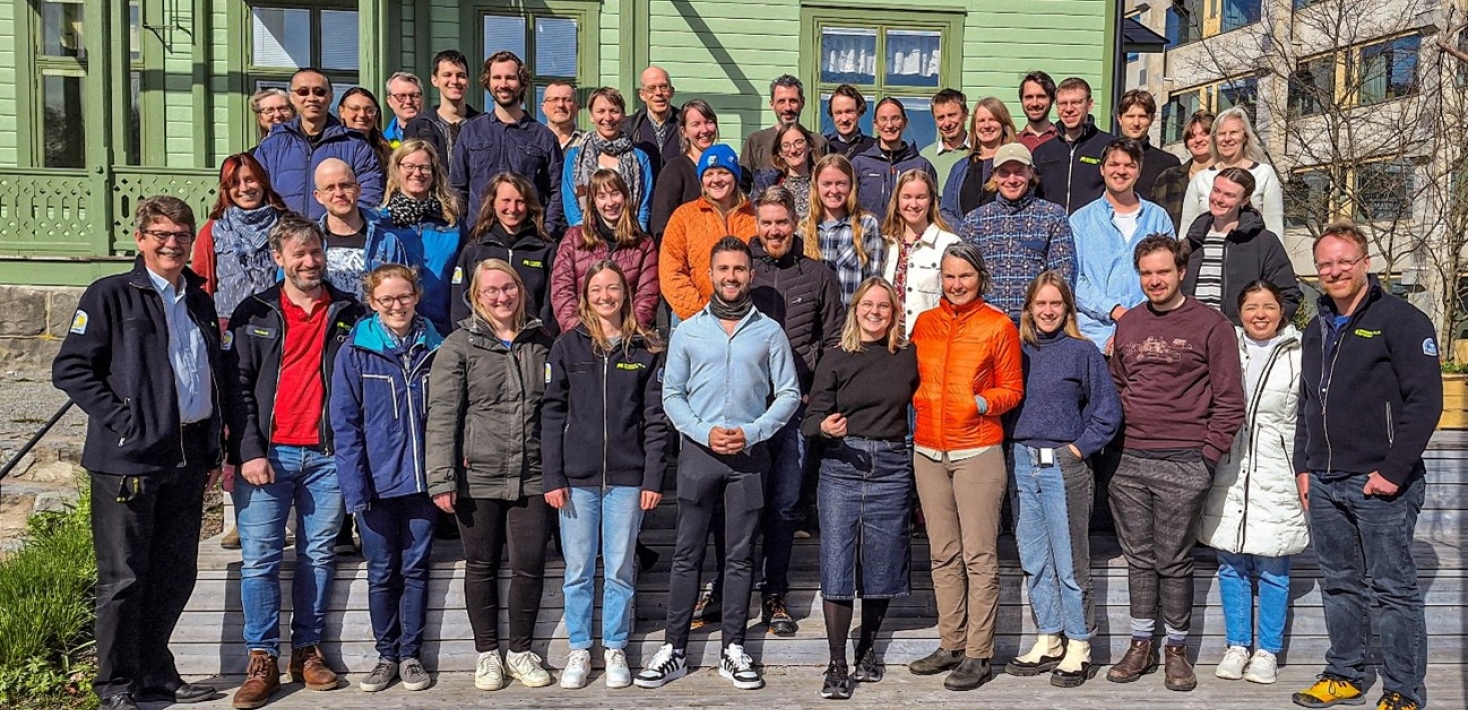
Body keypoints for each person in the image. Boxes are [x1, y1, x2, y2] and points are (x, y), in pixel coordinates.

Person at [53, 196, 227, 710]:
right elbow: (72, 369)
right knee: (124, 578)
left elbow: (209, 374)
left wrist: (216, 444)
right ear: (141, 239)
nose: (172, 243)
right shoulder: (109, 295)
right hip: (126, 459)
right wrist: (126, 419)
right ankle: (114, 684)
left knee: (174, 573)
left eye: (180, 234)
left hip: (187, 455)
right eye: (161, 234)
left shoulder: (198, 298)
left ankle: (155, 670)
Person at [634, 237, 800, 691]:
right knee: (687, 553)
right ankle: (674, 648)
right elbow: (672, 394)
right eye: (723, 269)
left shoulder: (769, 332)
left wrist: (754, 430)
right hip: (699, 456)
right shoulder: (688, 331)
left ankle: (733, 647)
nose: (731, 277)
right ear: (711, 273)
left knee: (741, 555)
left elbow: (787, 393)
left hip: (749, 455)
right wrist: (703, 431)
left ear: (750, 275)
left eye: (739, 270)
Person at [1290, 223, 1441, 710]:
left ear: (1365, 264)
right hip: (1327, 480)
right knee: (1338, 584)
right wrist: (1304, 467)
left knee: (1394, 590)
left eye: (1343, 261)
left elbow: (1426, 403)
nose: (1334, 271)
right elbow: (1308, 403)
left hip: (1380, 483)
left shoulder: (1402, 321)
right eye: (1325, 264)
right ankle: (1346, 673)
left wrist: (1393, 471)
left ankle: (1402, 689)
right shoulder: (1315, 328)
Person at [226, 214, 368, 709]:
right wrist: (247, 451)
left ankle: (305, 650)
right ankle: (262, 655)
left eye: (316, 252)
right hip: (270, 454)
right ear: (279, 258)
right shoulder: (255, 312)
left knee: (318, 556)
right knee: (261, 560)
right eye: (299, 254)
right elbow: (237, 389)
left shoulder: (350, 310)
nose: (309, 262)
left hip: (328, 456)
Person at [1104, 234, 1245, 693]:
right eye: (1146, 273)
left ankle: (1177, 650)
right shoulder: (1129, 325)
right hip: (1130, 462)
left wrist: (1206, 457)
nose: (1154, 281)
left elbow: (1229, 401)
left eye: (1162, 272)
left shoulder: (1211, 325)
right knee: (1138, 559)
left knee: (1173, 559)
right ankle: (1141, 642)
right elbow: (1117, 387)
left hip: (1186, 459)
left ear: (1181, 272)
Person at [426, 258, 557, 692]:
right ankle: (487, 654)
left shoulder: (541, 342)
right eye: (491, 291)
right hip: (476, 476)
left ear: (520, 289)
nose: (502, 297)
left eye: (509, 288)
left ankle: (520, 650)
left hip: (532, 475)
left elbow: (556, 412)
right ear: (476, 297)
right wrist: (442, 477)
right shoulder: (459, 346)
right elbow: (443, 414)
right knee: (481, 565)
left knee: (529, 564)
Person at [541, 261, 668, 690]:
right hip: (576, 479)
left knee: (618, 568)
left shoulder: (645, 348)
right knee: (577, 569)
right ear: (585, 295)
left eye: (613, 288)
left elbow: (655, 420)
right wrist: (552, 476)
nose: (605, 296)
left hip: (628, 480)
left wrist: (653, 477)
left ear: (626, 294)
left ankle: (615, 647)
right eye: (597, 289)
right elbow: (552, 414)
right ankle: (580, 647)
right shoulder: (567, 347)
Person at [906, 242, 1023, 691]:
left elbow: (1012, 389)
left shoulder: (998, 326)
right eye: (950, 277)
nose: (956, 285)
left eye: (965, 277)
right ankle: (951, 643)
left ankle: (979, 653)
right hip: (929, 451)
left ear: (980, 278)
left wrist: (979, 402)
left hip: (977, 451)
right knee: (942, 554)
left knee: (979, 555)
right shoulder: (925, 324)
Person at [802, 277, 920, 700]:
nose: (874, 312)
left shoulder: (907, 357)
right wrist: (824, 426)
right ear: (855, 310)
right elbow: (810, 419)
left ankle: (868, 647)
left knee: (882, 565)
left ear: (894, 312)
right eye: (867, 305)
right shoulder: (835, 357)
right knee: (837, 565)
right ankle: (836, 664)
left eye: (883, 306)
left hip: (891, 465)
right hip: (842, 465)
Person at [1002, 271, 1121, 688]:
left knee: (1070, 561)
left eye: (1056, 304)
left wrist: (1078, 448)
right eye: (1041, 304)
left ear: (1067, 309)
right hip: (1021, 459)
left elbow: (1107, 410)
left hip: (1063, 463)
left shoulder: (1082, 352)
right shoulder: (1017, 351)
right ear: (1029, 308)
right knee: (1035, 559)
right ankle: (1048, 636)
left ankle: (1078, 644)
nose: (1048, 311)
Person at [329, 264, 443, 694]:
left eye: (404, 296)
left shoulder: (437, 346)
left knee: (415, 569)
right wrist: (355, 489)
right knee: (381, 572)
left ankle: (411, 655)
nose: (397, 305)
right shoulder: (356, 350)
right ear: (372, 303)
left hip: (424, 483)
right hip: (376, 483)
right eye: (386, 299)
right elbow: (345, 424)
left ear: (416, 296)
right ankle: (385, 655)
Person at [1196, 281, 1307, 686]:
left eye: (1269, 306)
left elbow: (1307, 414)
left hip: (1277, 471)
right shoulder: (1226, 345)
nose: (1260, 314)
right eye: (1251, 306)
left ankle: (1267, 651)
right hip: (1230, 467)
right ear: (1238, 311)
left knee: (1275, 565)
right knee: (1231, 563)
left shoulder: (1300, 353)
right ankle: (1237, 645)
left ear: (1283, 311)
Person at [749, 185, 845, 636]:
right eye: (766, 222)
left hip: (795, 409)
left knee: (786, 503)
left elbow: (832, 342)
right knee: (744, 502)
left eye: (781, 222)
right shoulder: (743, 272)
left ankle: (775, 592)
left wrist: (816, 395)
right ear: (756, 224)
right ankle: (730, 583)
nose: (774, 230)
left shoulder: (818, 273)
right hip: (747, 409)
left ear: (794, 225)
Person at [1069, 138, 1177, 352]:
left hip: (1150, 334)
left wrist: (1137, 320)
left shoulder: (1158, 218)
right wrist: (1116, 311)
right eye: (1114, 164)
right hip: (1094, 338)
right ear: (1102, 170)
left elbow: (1170, 275)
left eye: (1129, 165)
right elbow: (1074, 280)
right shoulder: (1080, 221)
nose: (1121, 171)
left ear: (1139, 171)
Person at [957, 142, 1074, 322]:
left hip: (1037, 326)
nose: (1011, 180)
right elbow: (964, 276)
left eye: (1019, 171)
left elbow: (1062, 276)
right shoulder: (975, 221)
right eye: (1004, 173)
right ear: (994, 176)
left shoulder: (1052, 216)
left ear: (1030, 172)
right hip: (985, 324)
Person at [451, 51, 564, 236]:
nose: (503, 84)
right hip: (480, 239)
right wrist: (465, 235)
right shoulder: (471, 132)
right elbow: (457, 189)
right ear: (488, 82)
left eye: (510, 78)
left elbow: (557, 193)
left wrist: (546, 234)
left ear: (522, 82)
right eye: (497, 77)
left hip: (529, 240)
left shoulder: (543, 137)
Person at [255, 68, 383, 220]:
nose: (312, 98)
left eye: (319, 92)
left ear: (330, 97)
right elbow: (257, 194)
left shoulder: (355, 145)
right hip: (284, 238)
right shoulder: (271, 146)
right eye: (303, 92)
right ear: (292, 97)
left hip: (337, 238)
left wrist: (341, 227)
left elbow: (369, 193)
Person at [1180, 167, 1301, 325]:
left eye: (1229, 195)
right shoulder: (1193, 240)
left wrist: (1264, 331)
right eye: (1216, 190)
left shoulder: (1263, 242)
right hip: (1192, 333)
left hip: (1240, 338)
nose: (1219, 199)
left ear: (1244, 200)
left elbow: (1287, 295)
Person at [550, 169, 660, 331]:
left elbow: (647, 296)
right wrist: (578, 333)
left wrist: (626, 333)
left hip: (626, 336)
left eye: (615, 194)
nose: (610, 203)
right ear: (593, 202)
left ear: (625, 197)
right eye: (602, 196)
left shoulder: (644, 244)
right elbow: (562, 290)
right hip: (581, 334)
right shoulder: (573, 238)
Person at [659, 144, 757, 321]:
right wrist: (700, 315)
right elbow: (671, 270)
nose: (716, 179)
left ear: (735, 176)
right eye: (709, 174)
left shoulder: (754, 217)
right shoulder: (684, 216)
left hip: (747, 317)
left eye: (724, 172)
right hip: (693, 318)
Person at [451, 172, 558, 331]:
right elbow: (459, 305)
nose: (513, 208)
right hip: (482, 343)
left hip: (532, 342)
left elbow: (550, 307)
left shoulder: (545, 251)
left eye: (520, 202)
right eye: (506, 201)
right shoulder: (474, 249)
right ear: (493, 203)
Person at [192, 152, 290, 324]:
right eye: (235, 183)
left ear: (262, 181)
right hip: (228, 321)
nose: (244, 188)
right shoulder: (213, 229)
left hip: (276, 318)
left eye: (250, 179)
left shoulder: (286, 224)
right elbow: (200, 279)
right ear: (226, 189)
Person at [379, 139, 464, 335]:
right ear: (396, 170)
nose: (417, 173)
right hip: (393, 329)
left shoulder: (451, 223)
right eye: (409, 166)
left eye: (424, 167)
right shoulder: (381, 223)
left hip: (443, 329)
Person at [1180, 107, 1284, 237]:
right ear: (1215, 138)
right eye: (1222, 133)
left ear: (1245, 136)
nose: (1227, 138)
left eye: (1233, 132)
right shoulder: (1200, 179)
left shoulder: (1264, 173)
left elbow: (1275, 227)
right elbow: (1186, 231)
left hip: (1252, 253)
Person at [881, 170, 961, 336]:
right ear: (897, 200)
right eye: (907, 197)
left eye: (921, 197)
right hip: (888, 339)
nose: (914, 204)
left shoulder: (949, 244)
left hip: (931, 338)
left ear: (931, 200)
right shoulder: (883, 244)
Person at [312, 158, 407, 297]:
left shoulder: (387, 243)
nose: (339, 193)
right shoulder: (309, 242)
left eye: (345, 185)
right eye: (330, 188)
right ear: (318, 196)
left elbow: (402, 293)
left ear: (358, 190)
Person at [562, 87, 655, 230]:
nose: (608, 118)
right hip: (587, 237)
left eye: (614, 111)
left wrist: (637, 233)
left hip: (629, 235)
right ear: (591, 116)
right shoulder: (575, 157)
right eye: (600, 111)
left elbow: (644, 204)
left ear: (623, 116)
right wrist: (581, 232)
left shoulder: (640, 158)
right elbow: (570, 201)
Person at [804, 153, 884, 306]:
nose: (834, 191)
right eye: (827, 184)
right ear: (816, 186)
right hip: (814, 322)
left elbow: (874, 280)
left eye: (841, 183)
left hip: (850, 320)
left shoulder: (866, 225)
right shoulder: (804, 229)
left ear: (851, 186)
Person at [1032, 77, 1114, 214]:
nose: (1069, 109)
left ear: (1090, 104)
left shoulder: (1108, 146)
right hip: (1052, 229)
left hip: (1092, 228)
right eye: (1063, 103)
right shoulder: (1042, 152)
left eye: (1076, 102)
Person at [851, 98, 937, 222]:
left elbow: (932, 210)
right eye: (883, 119)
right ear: (875, 125)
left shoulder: (921, 165)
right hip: (869, 237)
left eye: (895, 118)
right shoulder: (860, 164)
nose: (889, 125)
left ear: (905, 123)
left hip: (909, 237)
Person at [938, 96, 1019, 226]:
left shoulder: (1017, 165)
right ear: (974, 126)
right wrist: (965, 234)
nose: (986, 126)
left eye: (992, 119)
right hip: (965, 241)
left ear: (1003, 124)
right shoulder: (961, 168)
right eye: (981, 121)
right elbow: (946, 210)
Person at [650, 99, 720, 238]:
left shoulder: (726, 168)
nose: (704, 130)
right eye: (696, 124)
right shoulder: (675, 170)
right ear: (684, 131)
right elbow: (661, 224)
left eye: (709, 122)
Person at [404, 50, 481, 169]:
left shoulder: (481, 125)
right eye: (447, 75)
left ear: (468, 81)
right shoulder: (419, 127)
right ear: (435, 80)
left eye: (461, 76)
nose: (455, 81)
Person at [742, 74, 829, 174]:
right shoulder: (756, 142)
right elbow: (742, 187)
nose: (787, 108)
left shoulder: (818, 143)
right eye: (781, 101)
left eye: (793, 101)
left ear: (803, 102)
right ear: (772, 104)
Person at [1152, 110, 1214, 232]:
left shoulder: (1227, 177)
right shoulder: (1167, 178)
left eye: (1204, 134)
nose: (1198, 140)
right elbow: (1155, 219)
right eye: (1192, 136)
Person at [1115, 89, 1180, 202]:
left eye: (1142, 117)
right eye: (1130, 116)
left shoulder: (1168, 163)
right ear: (1119, 119)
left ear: (1152, 119)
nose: (1136, 123)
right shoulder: (1105, 157)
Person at [751, 122, 816, 221]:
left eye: (799, 142)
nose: (793, 150)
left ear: (810, 145)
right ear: (780, 152)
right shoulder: (769, 184)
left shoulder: (822, 184)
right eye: (786, 145)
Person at [626, 66, 682, 178]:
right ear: (642, 95)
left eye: (663, 87)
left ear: (671, 92)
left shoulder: (685, 123)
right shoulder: (630, 127)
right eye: (652, 88)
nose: (658, 93)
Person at [921, 88, 971, 189]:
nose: (947, 123)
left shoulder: (980, 151)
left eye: (952, 115)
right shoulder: (926, 157)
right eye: (941, 118)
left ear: (965, 114)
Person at [338, 87, 393, 167]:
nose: (362, 115)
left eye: (369, 110)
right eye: (355, 109)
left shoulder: (386, 150)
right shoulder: (332, 148)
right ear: (341, 111)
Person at [824, 84, 875, 158]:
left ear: (859, 112)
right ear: (831, 114)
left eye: (849, 112)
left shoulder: (873, 146)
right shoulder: (822, 146)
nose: (844, 119)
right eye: (838, 113)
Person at [1017, 71, 1059, 151]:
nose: (1034, 103)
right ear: (1021, 100)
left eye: (1041, 97)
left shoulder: (1064, 140)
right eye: (1029, 97)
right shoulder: (1014, 143)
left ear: (1052, 100)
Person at [383, 71, 423, 148]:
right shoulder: (382, 141)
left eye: (414, 96)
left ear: (422, 99)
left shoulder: (436, 132)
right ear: (389, 101)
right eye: (401, 96)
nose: (408, 101)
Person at [542, 81, 584, 153]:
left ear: (577, 108)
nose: (560, 105)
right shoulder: (532, 141)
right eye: (554, 99)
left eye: (567, 100)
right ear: (543, 108)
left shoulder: (589, 142)